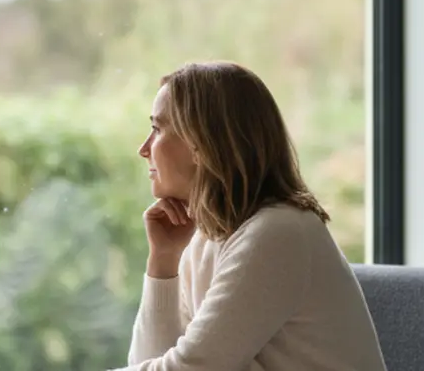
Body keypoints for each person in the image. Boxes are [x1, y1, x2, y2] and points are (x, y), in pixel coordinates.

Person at [111, 61, 388, 371]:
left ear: (202, 144)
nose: (144, 148)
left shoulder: (279, 233)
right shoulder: (207, 238)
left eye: (158, 128)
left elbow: (192, 368)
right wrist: (163, 262)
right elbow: (150, 362)